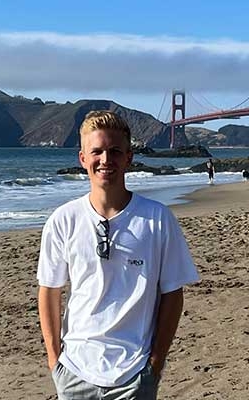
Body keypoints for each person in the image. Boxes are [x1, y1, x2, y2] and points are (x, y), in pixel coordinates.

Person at [37, 110, 200, 400]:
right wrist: (55, 361)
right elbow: (49, 291)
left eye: (114, 151)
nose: (105, 159)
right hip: (75, 371)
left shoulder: (157, 219)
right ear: (82, 159)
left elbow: (173, 294)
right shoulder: (63, 219)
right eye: (96, 151)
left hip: (134, 374)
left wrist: (155, 363)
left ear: (129, 157)